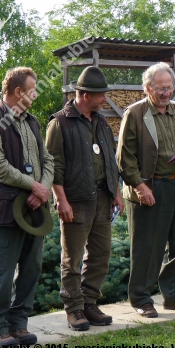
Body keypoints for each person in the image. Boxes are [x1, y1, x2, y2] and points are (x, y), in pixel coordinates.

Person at [0, 67, 54, 346]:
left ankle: (19, 325)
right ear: (18, 92)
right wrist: (33, 186)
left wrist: (41, 189)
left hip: (34, 207)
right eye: (32, 90)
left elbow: (48, 160)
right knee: (3, 272)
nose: (35, 95)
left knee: (31, 268)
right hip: (4, 210)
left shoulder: (32, 121)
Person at [117, 62, 175, 318]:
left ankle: (173, 295)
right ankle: (141, 299)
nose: (166, 93)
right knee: (147, 247)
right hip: (149, 189)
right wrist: (140, 187)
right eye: (161, 88)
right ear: (148, 88)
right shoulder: (134, 114)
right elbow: (125, 158)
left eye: (169, 87)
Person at [46, 66, 124, 331]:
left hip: (103, 197)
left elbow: (110, 160)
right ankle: (74, 309)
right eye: (100, 95)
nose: (104, 99)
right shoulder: (59, 123)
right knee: (72, 259)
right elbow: (53, 166)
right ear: (84, 95)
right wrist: (61, 199)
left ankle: (90, 303)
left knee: (100, 255)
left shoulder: (101, 122)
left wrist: (117, 192)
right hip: (76, 201)